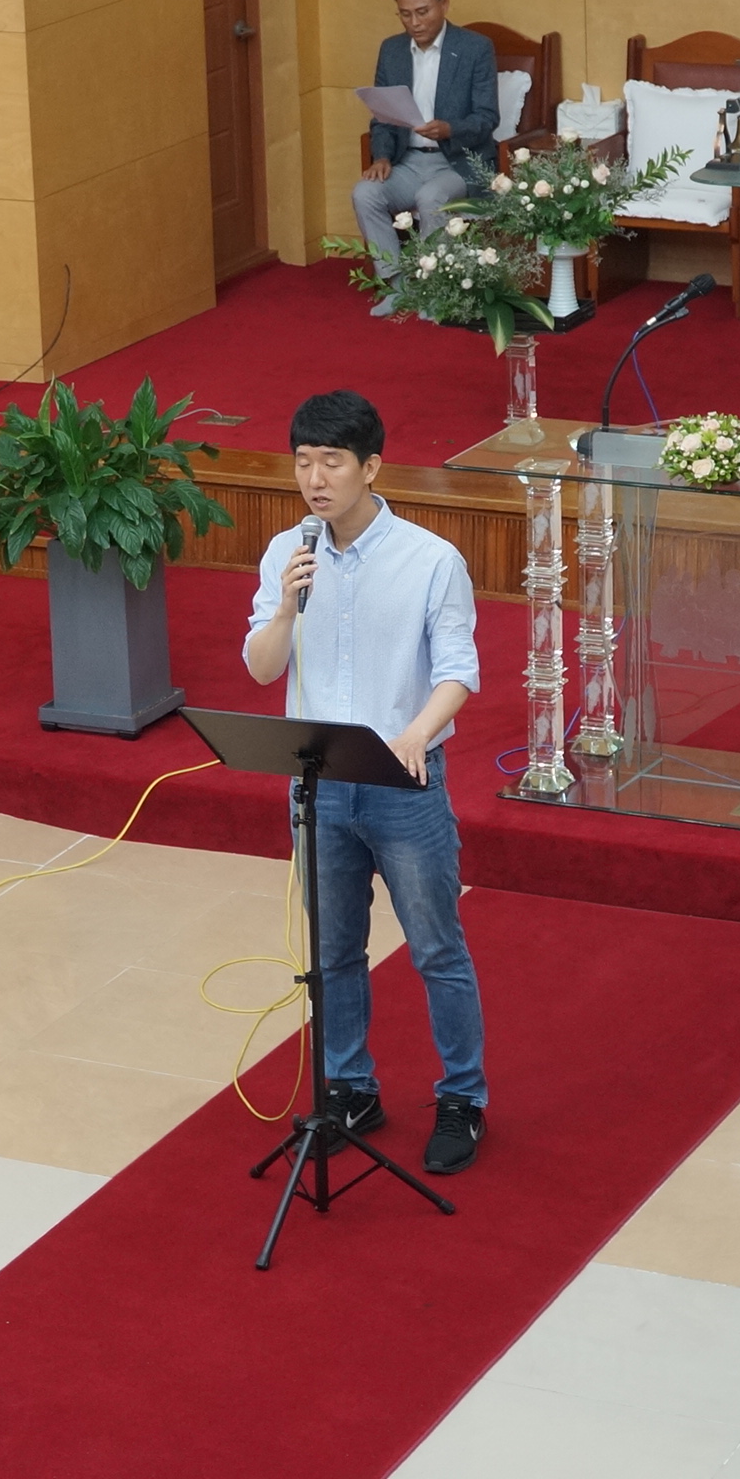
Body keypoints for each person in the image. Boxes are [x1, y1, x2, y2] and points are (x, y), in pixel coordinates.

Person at [244, 390, 488, 1174]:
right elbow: (261, 668)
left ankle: (463, 1097)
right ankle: (351, 1088)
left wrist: (415, 733)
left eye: (332, 463)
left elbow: (458, 671)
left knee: (436, 947)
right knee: (334, 949)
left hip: (403, 784)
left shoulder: (430, 560)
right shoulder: (287, 553)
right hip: (319, 786)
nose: (315, 479)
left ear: (371, 467)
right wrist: (286, 609)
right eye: (303, 462)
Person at [349, 0, 499, 316]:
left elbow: (487, 117)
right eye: (405, 14)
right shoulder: (392, 50)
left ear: (443, 5)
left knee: (432, 198)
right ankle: (399, 286)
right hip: (408, 161)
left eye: (422, 12)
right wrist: (382, 156)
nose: (414, 23)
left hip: (459, 162)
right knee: (365, 193)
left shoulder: (475, 48)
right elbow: (382, 116)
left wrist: (450, 129)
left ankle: (435, 290)